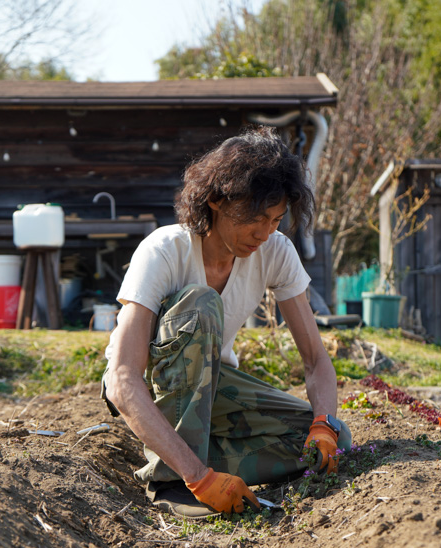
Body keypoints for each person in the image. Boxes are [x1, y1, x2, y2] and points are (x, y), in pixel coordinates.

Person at [101, 126, 352, 517]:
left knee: (332, 439)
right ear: (217, 200)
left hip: (212, 385)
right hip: (155, 389)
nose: (266, 233)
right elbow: (122, 379)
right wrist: (197, 476)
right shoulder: (164, 251)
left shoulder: (275, 251)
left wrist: (323, 423)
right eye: (257, 218)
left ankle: (189, 458)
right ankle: (175, 480)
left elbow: (316, 361)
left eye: (276, 219)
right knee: (201, 304)